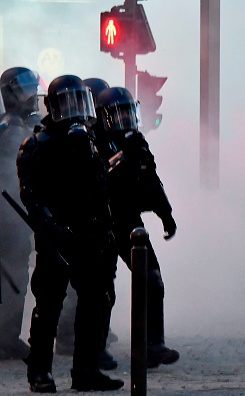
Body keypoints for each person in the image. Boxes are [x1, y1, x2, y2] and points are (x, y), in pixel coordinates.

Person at [17, 74, 123, 392]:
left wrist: (105, 228)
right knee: (48, 306)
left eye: (80, 103)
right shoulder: (37, 145)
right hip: (56, 238)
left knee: (93, 304)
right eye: (68, 104)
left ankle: (85, 371)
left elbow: (100, 189)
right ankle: (39, 372)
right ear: (51, 106)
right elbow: (30, 194)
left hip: (88, 235)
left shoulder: (88, 141)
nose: (75, 112)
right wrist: (49, 226)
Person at [93, 86, 180, 368]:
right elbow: (95, 181)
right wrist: (120, 159)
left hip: (130, 221)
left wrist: (165, 213)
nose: (125, 121)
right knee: (102, 288)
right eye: (117, 115)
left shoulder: (136, 142)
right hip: (103, 223)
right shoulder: (93, 141)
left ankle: (153, 344)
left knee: (152, 280)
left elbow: (151, 180)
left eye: (128, 114)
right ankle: (95, 350)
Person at [0, 67, 40, 360]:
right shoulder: (6, 129)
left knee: (17, 278)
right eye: (24, 89)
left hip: (20, 215)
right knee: (9, 277)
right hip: (6, 215)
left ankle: (8, 337)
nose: (30, 96)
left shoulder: (28, 125)